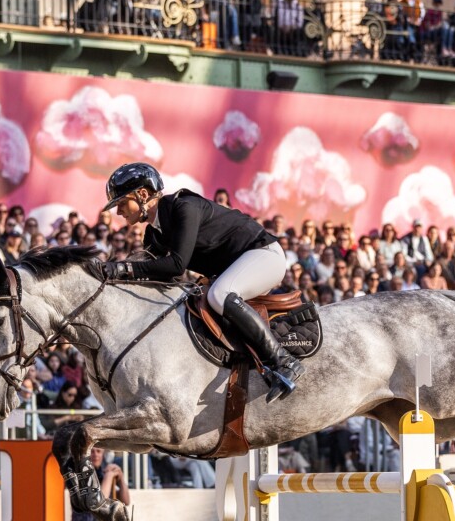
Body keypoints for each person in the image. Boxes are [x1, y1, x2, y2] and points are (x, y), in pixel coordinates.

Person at [95, 162, 304, 398]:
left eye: (122, 203)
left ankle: (283, 360)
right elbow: (158, 273)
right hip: (237, 266)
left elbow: (176, 264)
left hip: (264, 255)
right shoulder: (154, 233)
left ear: (142, 194)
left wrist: (120, 268)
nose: (118, 211)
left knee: (219, 295)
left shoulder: (184, 206)